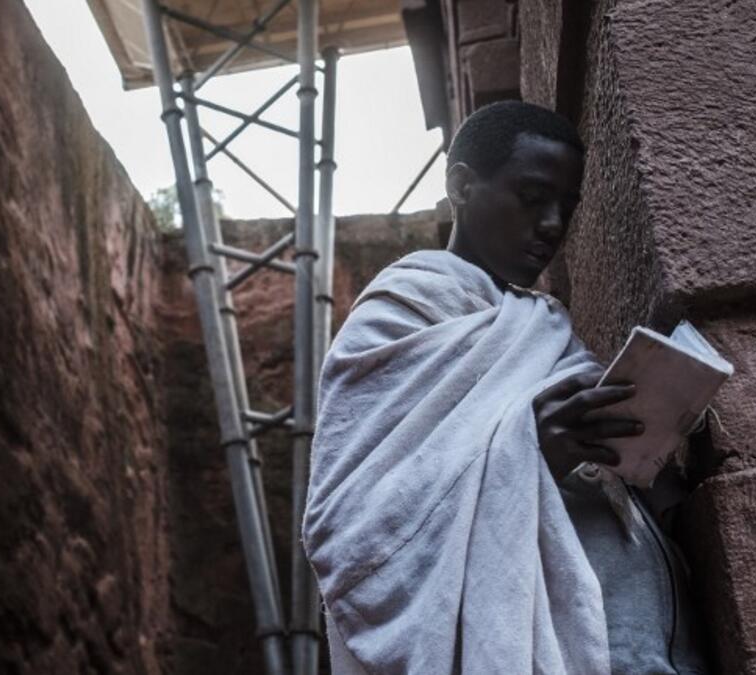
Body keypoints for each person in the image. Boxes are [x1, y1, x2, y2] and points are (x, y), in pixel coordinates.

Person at [302, 101, 709, 674]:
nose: (551, 225)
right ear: (462, 186)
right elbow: (351, 534)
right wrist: (528, 449)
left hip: (640, 637)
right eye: (531, 196)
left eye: (567, 206)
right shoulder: (398, 316)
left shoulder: (545, 325)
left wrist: (657, 475)